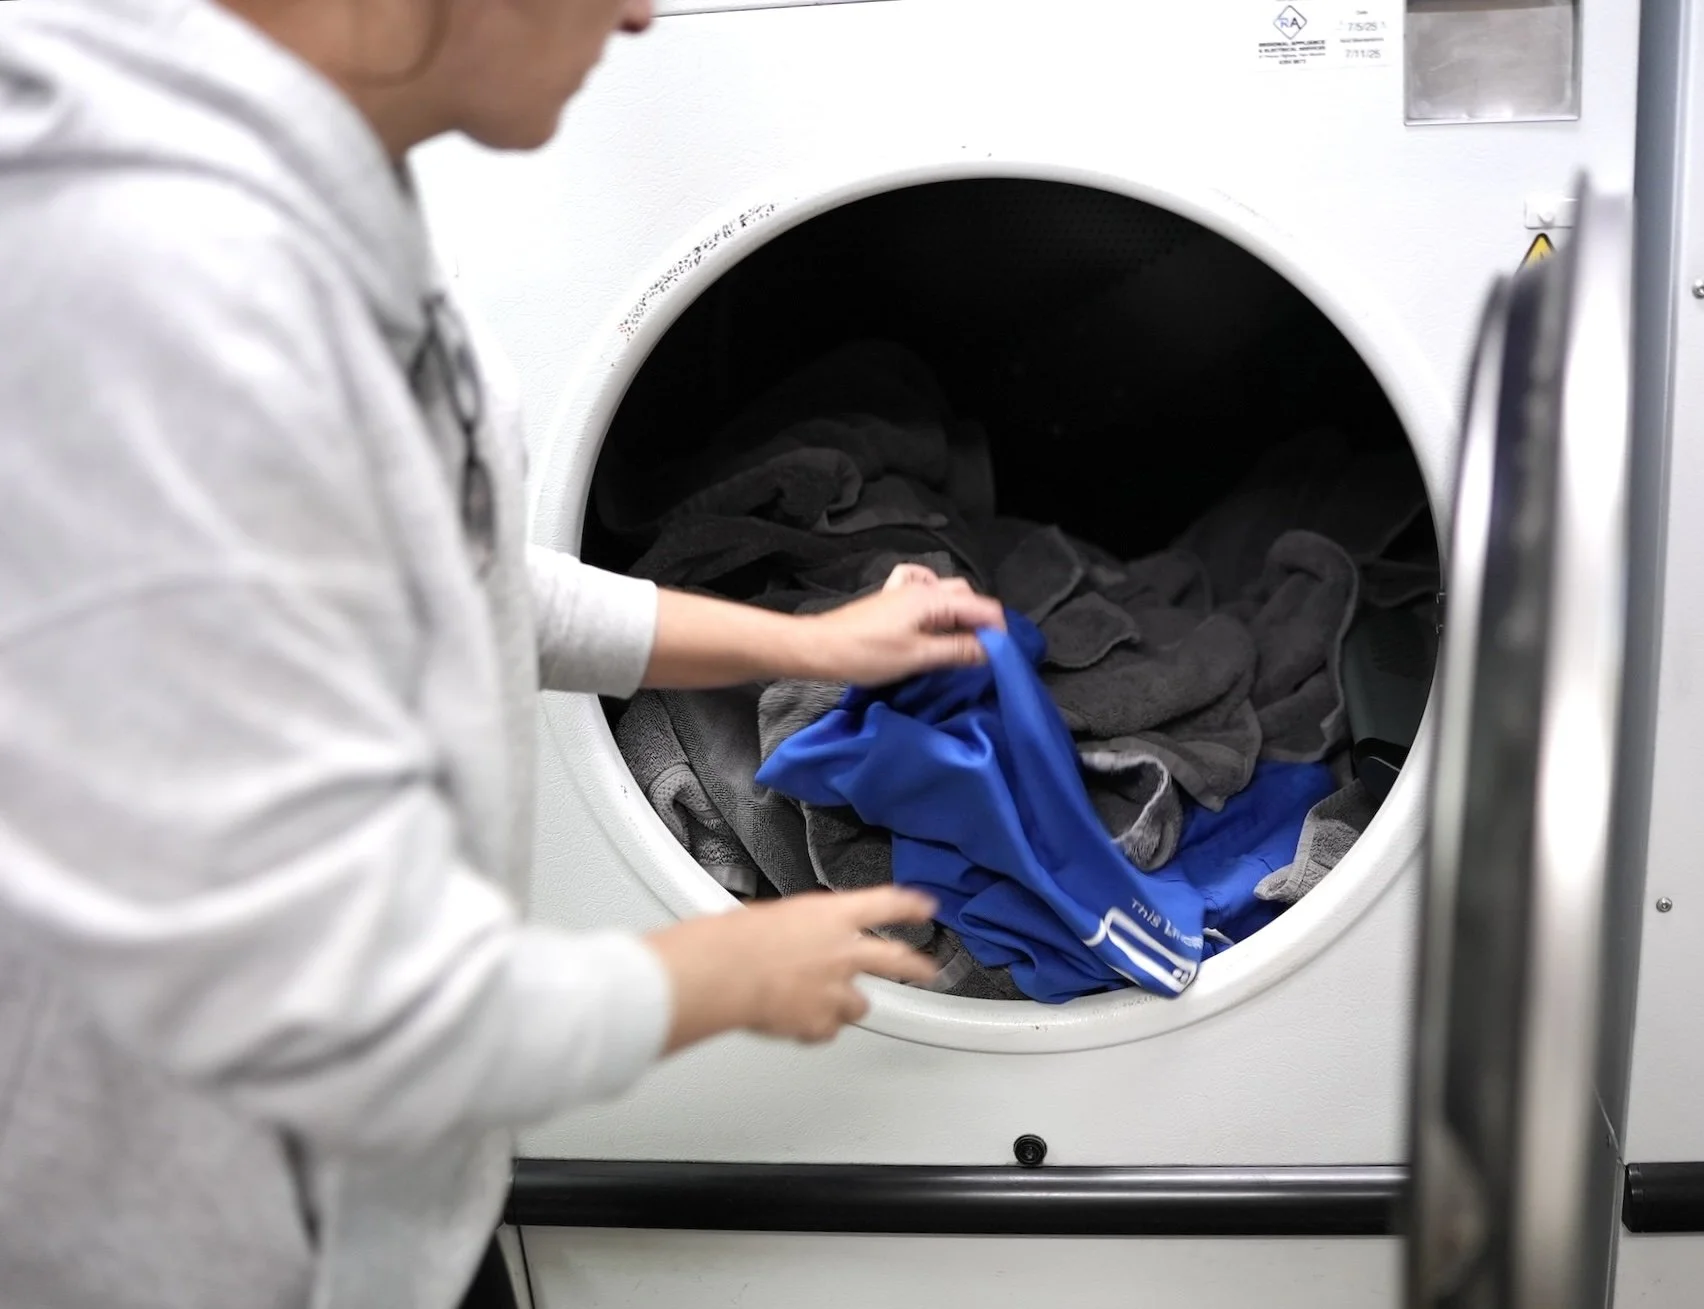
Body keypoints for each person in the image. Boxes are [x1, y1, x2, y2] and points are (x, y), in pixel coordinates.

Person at [0, 1, 1007, 1306]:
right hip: (196, 1250)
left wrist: (804, 641)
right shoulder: (175, 305)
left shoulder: (309, 202)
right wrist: (713, 974)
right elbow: (321, 1012)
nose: (645, 11)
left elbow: (449, 573)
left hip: (370, 1206)